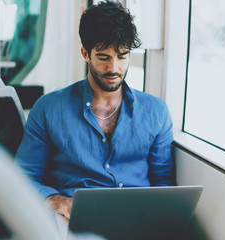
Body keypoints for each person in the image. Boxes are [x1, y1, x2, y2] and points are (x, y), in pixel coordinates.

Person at [15, 0, 175, 221]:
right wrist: (58, 202)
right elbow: (24, 177)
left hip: (137, 222)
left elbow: (164, 183)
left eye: (122, 56)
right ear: (85, 53)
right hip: (71, 220)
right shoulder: (48, 109)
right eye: (103, 57)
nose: (114, 68)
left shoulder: (156, 112)